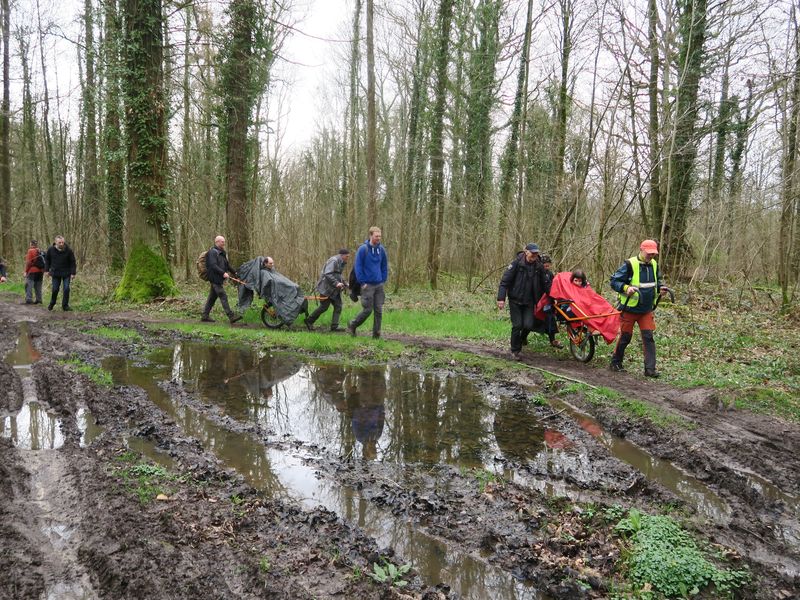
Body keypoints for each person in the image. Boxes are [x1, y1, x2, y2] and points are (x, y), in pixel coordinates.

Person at [609, 239, 668, 377]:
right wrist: (626, 288)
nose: (651, 256)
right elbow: (614, 281)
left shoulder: (654, 264)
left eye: (653, 254)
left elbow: (655, 282)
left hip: (646, 309)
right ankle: (615, 362)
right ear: (641, 250)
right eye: (648, 253)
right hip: (629, 309)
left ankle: (650, 370)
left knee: (648, 337)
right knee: (625, 337)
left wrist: (661, 288)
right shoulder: (629, 264)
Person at [497, 243, 547, 359]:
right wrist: (501, 299)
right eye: (532, 253)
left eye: (536, 253)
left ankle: (521, 340)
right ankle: (515, 351)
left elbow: (545, 283)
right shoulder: (516, 264)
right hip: (515, 300)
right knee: (517, 325)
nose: (534, 255)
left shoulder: (539, 267)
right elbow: (504, 282)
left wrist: (553, 295)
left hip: (529, 301)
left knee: (529, 325)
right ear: (526, 252)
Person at [348, 227, 388, 339]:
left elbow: (384, 265)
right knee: (368, 310)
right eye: (376, 236)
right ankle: (352, 324)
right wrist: (362, 282)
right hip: (367, 285)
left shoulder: (382, 250)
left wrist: (383, 279)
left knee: (379, 310)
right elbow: (358, 267)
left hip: (379, 284)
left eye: (380, 236)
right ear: (370, 236)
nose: (378, 238)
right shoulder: (363, 249)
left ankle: (376, 335)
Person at [305, 248, 350, 332]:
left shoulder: (341, 262)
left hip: (334, 290)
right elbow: (327, 274)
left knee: (338, 306)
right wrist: (336, 283)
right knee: (324, 307)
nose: (348, 258)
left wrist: (345, 283)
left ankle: (334, 326)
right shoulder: (334, 261)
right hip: (326, 288)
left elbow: (338, 275)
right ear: (342, 255)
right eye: (347, 256)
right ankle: (309, 321)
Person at [201, 235, 242, 324]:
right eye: (222, 242)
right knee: (223, 295)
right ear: (217, 242)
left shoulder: (222, 253)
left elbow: (227, 265)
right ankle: (231, 316)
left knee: (212, 297)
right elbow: (213, 265)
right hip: (214, 278)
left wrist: (235, 273)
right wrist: (223, 273)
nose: (224, 243)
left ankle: (205, 316)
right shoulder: (212, 252)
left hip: (219, 279)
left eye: (224, 241)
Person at [44, 235, 77, 311]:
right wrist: (46, 271)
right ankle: (52, 303)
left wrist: (73, 273)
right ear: (55, 242)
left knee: (66, 289)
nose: (62, 244)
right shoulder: (50, 250)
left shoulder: (68, 250)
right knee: (55, 289)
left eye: (63, 242)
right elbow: (47, 261)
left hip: (66, 273)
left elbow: (73, 262)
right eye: (60, 242)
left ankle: (65, 306)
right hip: (55, 273)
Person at [540, 254, 563, 349]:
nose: (546, 267)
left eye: (548, 265)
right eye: (545, 265)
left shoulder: (549, 274)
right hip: (540, 300)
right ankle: (522, 337)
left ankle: (552, 339)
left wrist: (555, 297)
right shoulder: (538, 274)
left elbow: (553, 286)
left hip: (549, 299)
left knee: (550, 317)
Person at [24, 240, 44, 304]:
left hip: (32, 271)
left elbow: (29, 262)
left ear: (31, 244)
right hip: (40, 271)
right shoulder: (40, 251)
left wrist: (26, 271)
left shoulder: (30, 251)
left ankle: (29, 299)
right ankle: (39, 299)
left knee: (29, 285)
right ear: (36, 245)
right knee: (38, 286)